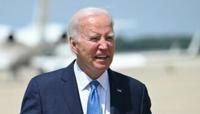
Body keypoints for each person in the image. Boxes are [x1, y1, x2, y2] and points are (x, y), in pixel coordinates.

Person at [20, 7, 152, 114]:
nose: (104, 46)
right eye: (94, 39)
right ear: (74, 45)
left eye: (109, 38)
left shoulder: (135, 92)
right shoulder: (43, 90)